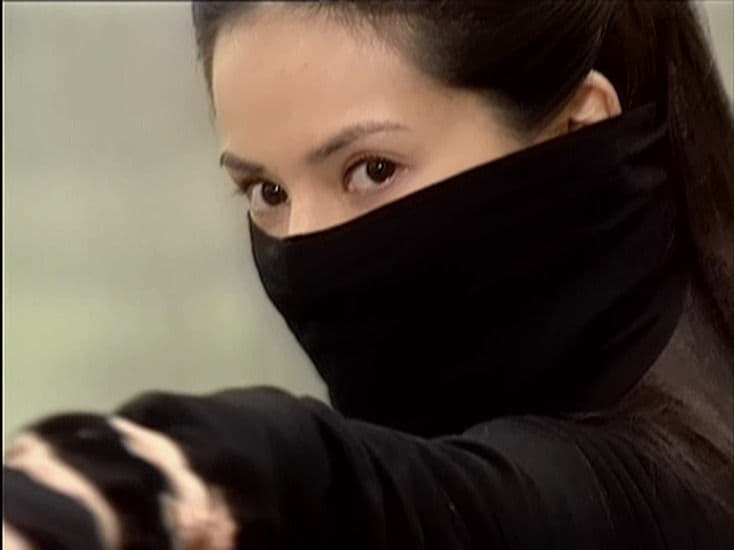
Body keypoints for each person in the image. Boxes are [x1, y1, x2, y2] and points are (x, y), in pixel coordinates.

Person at [3, 1, 733, 548]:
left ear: (577, 131)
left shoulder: (665, 491)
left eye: (372, 170)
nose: (304, 245)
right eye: (266, 191)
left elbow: (353, 491)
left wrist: (136, 482)